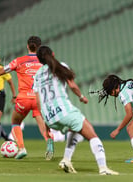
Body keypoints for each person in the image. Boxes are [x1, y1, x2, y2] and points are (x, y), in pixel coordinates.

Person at [33, 45, 118, 175]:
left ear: (39, 60)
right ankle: (103, 168)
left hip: (49, 117)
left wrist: (45, 121)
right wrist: (81, 97)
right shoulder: (61, 66)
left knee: (75, 129)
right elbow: (72, 85)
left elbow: (38, 101)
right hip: (63, 110)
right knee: (92, 134)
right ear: (53, 54)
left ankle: (66, 160)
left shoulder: (37, 75)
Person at [0, 36, 54, 160]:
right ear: (40, 47)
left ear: (27, 46)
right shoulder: (45, 62)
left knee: (15, 122)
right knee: (42, 125)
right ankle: (49, 142)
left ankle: (21, 148)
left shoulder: (19, 61)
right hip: (40, 98)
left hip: (24, 98)